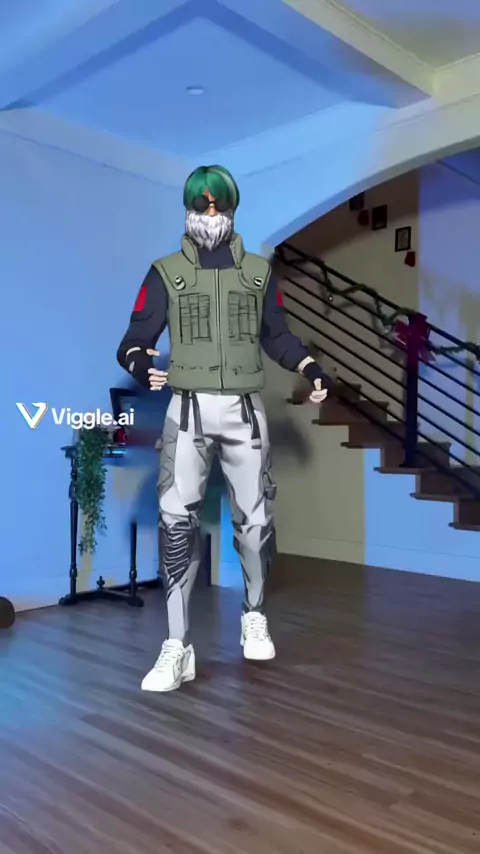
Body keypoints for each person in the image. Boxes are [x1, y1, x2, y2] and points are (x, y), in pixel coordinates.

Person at [117, 165, 329, 692]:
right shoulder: (165, 272)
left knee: (256, 523)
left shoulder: (258, 273)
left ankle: (253, 614)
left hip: (244, 410)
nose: (210, 211)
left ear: (232, 208)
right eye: (201, 202)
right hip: (186, 410)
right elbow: (133, 342)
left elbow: (277, 336)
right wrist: (141, 364)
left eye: (219, 203)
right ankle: (177, 646)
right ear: (189, 208)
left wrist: (309, 367)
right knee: (176, 525)